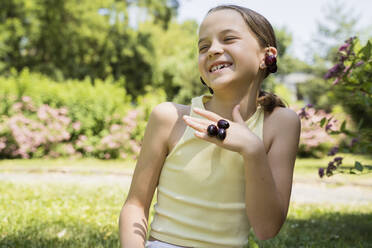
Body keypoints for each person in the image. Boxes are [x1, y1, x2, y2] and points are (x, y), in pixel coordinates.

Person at [119, 4, 301, 248]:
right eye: (203, 46)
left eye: (228, 38)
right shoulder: (169, 118)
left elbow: (266, 228)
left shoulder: (281, 123)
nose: (213, 50)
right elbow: (135, 205)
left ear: (265, 56)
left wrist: (252, 150)